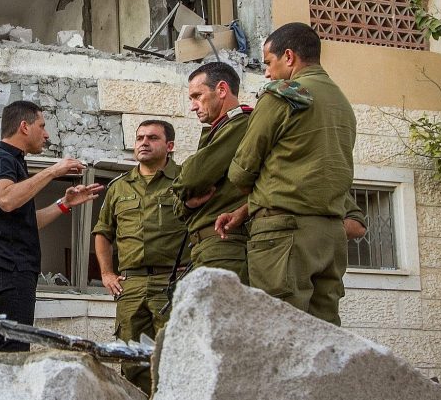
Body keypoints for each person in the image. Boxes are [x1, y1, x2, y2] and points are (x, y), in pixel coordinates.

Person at [219, 22, 356, 325]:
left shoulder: (283, 95)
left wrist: (254, 196)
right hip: (331, 232)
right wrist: (248, 208)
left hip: (284, 232)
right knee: (323, 336)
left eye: (269, 62)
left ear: (289, 57)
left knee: (278, 332)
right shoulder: (342, 103)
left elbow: (242, 168)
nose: (267, 72)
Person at [0, 100, 103, 352]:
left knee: (17, 347)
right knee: (14, 351)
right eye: (42, 126)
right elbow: (7, 199)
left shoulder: (14, 162)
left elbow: (28, 221)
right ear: (24, 127)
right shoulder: (2, 159)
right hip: (9, 268)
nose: (46, 134)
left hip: (14, 269)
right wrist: (52, 171)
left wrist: (65, 203)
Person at [93, 120, 188, 394]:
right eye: (139, 138)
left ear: (169, 146)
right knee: (132, 361)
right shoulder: (119, 187)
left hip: (172, 283)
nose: (143, 142)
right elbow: (103, 232)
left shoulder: (185, 180)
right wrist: (107, 273)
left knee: (173, 358)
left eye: (152, 138)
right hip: (131, 287)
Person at [171, 61, 252, 283]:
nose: (193, 106)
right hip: (207, 246)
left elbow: (190, 179)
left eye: (198, 96)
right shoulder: (217, 131)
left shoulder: (240, 124)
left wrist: (183, 185)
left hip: (226, 244)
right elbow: (180, 204)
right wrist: (187, 203)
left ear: (222, 90)